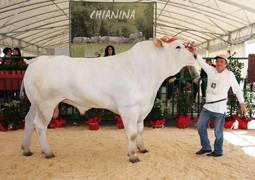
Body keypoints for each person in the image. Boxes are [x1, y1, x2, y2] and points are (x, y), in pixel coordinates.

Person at [188, 45, 247, 157]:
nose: (219, 63)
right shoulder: (211, 70)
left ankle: (218, 151)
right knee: (200, 126)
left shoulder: (229, 75)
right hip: (207, 107)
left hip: (220, 109)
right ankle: (206, 147)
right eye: (217, 61)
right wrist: (195, 53)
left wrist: (242, 103)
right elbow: (201, 62)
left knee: (218, 133)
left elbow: (237, 90)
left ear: (226, 64)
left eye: (221, 61)